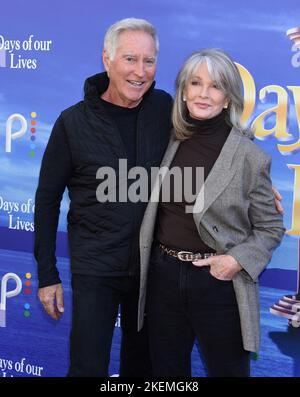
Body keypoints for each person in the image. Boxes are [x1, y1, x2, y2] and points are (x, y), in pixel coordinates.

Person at [34, 18, 173, 377]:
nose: (140, 72)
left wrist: (256, 179)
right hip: (95, 269)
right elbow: (47, 201)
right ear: (106, 60)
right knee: (87, 368)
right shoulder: (72, 123)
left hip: (151, 269)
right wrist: (48, 275)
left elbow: (212, 139)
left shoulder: (164, 108)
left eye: (149, 61)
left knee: (142, 370)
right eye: (130, 59)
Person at [137, 48, 285, 377]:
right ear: (184, 92)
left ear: (228, 98)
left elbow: (270, 228)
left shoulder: (249, 157)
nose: (204, 93)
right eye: (195, 83)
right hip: (163, 276)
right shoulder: (167, 139)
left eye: (215, 86)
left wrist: (235, 261)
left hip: (218, 283)